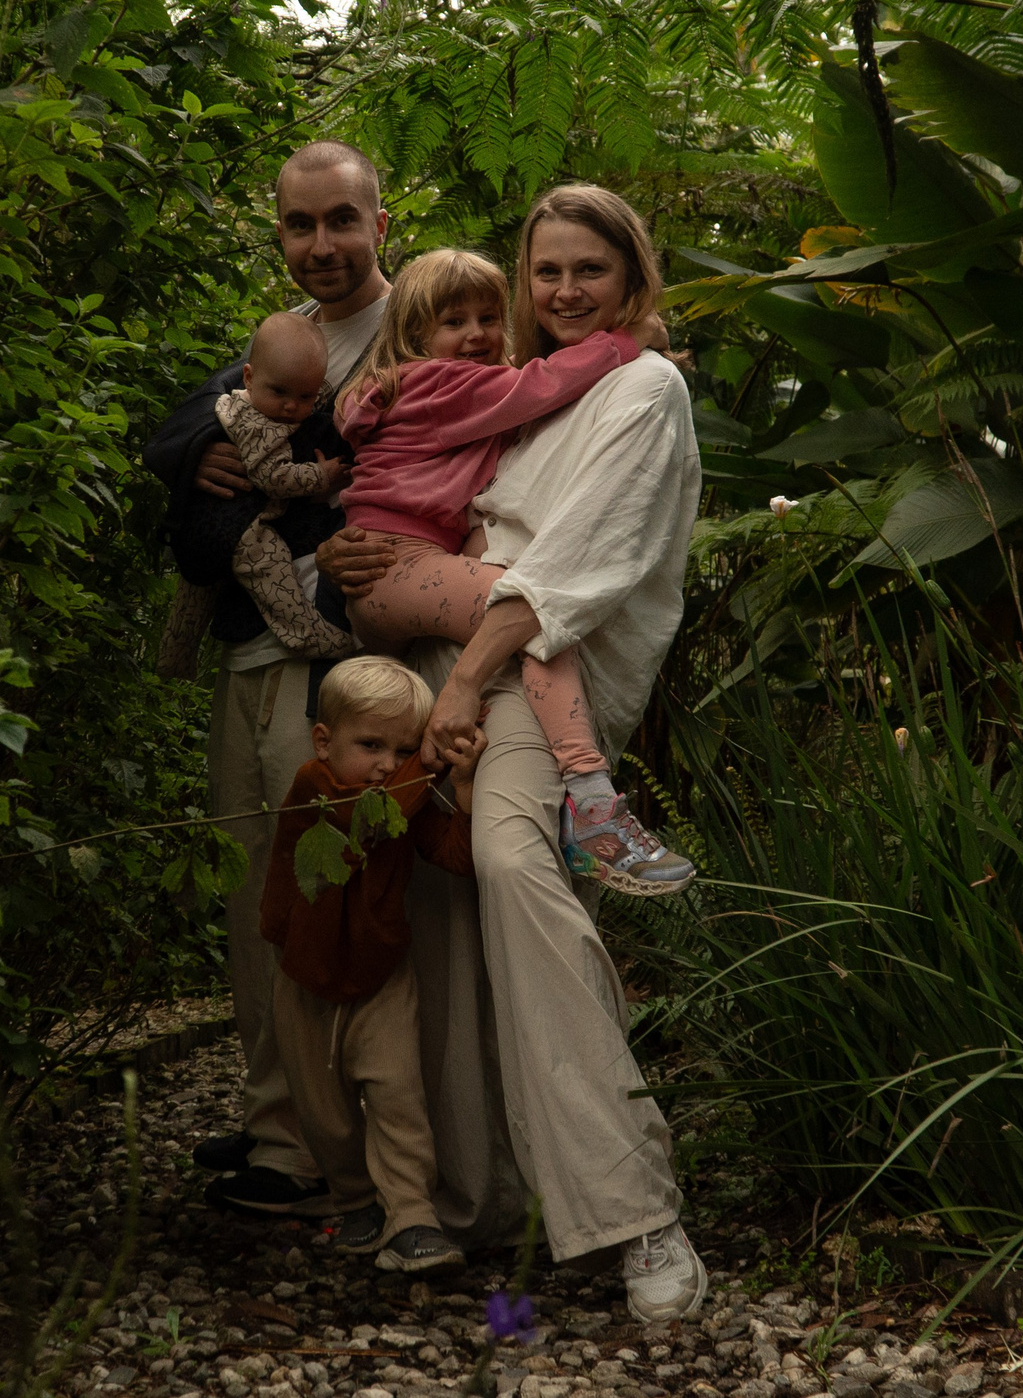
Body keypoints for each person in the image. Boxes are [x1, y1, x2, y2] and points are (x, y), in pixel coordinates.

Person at [317, 183, 709, 1320]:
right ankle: (479, 1195)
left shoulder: (642, 384)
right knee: (440, 911)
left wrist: (469, 683)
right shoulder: (518, 397)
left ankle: (637, 1215)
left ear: (632, 276)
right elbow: (443, 520)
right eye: (546, 272)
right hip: (461, 663)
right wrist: (360, 567)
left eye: (590, 270)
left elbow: (578, 566)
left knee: (511, 872)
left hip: (537, 674)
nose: (564, 291)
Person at [140, 140, 392, 1216]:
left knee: (324, 891)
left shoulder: (411, 326)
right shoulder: (269, 350)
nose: (321, 245)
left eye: (342, 220)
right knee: (254, 892)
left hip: (341, 665)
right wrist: (195, 448)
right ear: (277, 231)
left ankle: (338, 1149)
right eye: (300, 225)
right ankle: (274, 1117)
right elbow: (172, 438)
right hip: (248, 654)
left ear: (382, 221)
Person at [333, 249, 692, 894]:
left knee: (528, 610)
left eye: (489, 317)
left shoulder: (419, 387)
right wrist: (628, 340)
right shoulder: (438, 385)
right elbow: (541, 386)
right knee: (535, 615)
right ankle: (591, 800)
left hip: (413, 564)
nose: (476, 334)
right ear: (417, 334)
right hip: (399, 564)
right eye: (453, 321)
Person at [259, 655, 482, 1274]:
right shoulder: (315, 785)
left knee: (396, 1093)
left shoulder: (399, 799)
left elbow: (457, 857)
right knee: (323, 1112)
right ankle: (356, 1201)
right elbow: (358, 832)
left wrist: (459, 790)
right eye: (371, 744)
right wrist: (425, 762)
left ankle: (411, 1216)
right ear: (323, 742)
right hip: (306, 977)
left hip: (382, 971)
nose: (388, 762)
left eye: (404, 747)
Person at [202, 313, 357, 658]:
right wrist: (322, 476)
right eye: (279, 392)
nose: (291, 406)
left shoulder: (255, 405)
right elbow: (271, 477)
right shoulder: (257, 423)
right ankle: (304, 634)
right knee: (271, 570)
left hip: (238, 518)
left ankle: (175, 656)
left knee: (193, 603)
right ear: (249, 377)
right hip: (246, 530)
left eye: (306, 397)